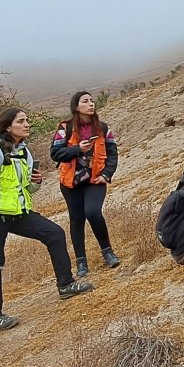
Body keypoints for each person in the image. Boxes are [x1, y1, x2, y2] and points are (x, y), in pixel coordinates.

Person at [0, 108, 93, 330]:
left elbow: (24, 188)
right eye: (21, 121)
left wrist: (35, 182)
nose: (27, 124)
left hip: (17, 213)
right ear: (8, 126)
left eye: (27, 120)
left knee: (54, 233)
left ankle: (66, 285)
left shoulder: (23, 152)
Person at [50, 92, 120, 278]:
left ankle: (108, 252)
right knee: (76, 218)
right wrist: (77, 149)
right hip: (70, 182)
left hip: (95, 180)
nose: (91, 104)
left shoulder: (103, 128)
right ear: (76, 106)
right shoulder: (65, 128)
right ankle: (81, 262)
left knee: (93, 212)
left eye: (91, 100)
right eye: (85, 101)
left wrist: (107, 174)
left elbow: (112, 154)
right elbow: (55, 154)